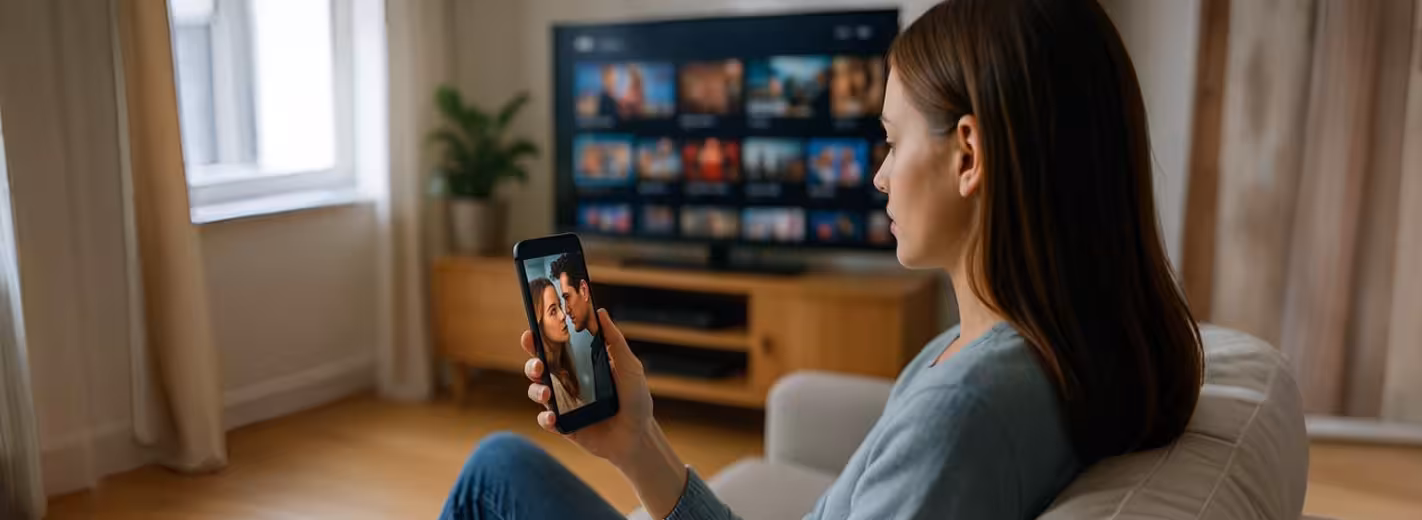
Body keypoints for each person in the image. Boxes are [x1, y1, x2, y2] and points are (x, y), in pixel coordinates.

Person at [438, 0, 1203, 518]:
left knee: (496, 468)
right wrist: (636, 441)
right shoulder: (1064, 350)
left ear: (968, 155)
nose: (876, 174)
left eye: (893, 141)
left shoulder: (966, 408)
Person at [549, 253, 610, 402]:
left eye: (567, 297)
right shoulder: (596, 348)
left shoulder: (608, 351)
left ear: (583, 289)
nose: (566, 311)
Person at [527, 277, 584, 413]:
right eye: (553, 311)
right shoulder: (553, 383)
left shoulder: (564, 366)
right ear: (539, 326)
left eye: (560, 305)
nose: (563, 315)